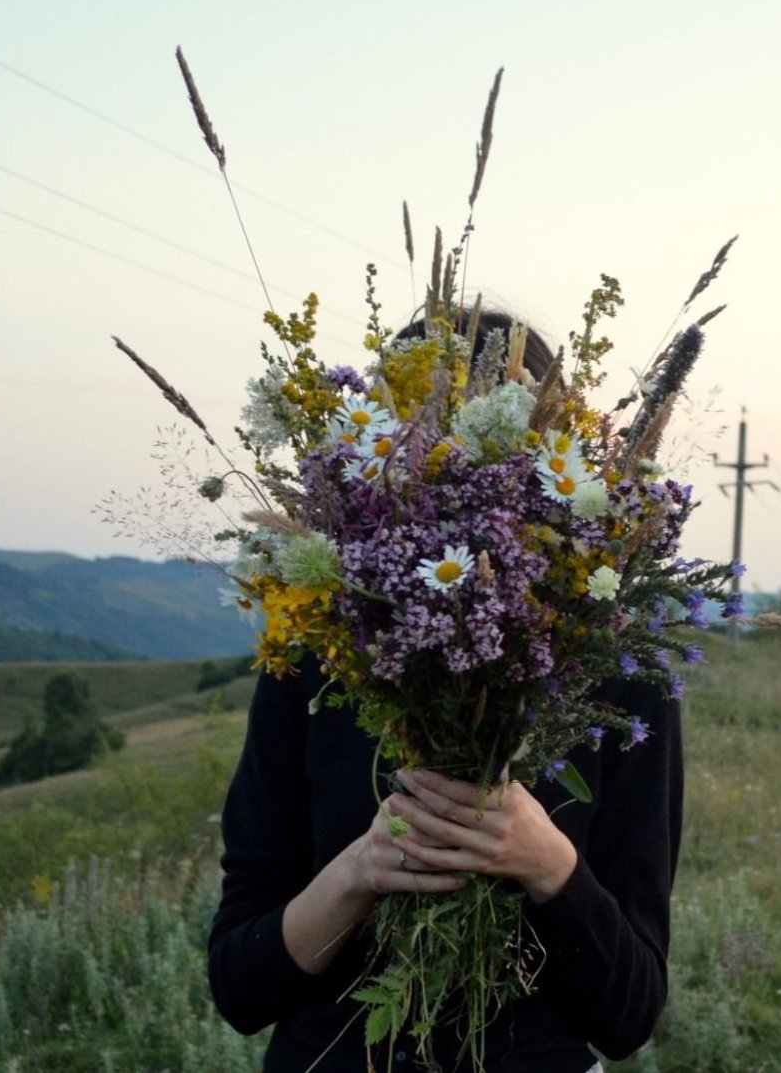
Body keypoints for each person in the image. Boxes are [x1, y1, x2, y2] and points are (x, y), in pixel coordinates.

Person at [206, 313, 684, 1073]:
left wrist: (546, 863)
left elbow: (629, 1015)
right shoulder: (318, 654)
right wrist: (360, 871)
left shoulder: (616, 672)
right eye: (419, 454)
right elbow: (239, 987)